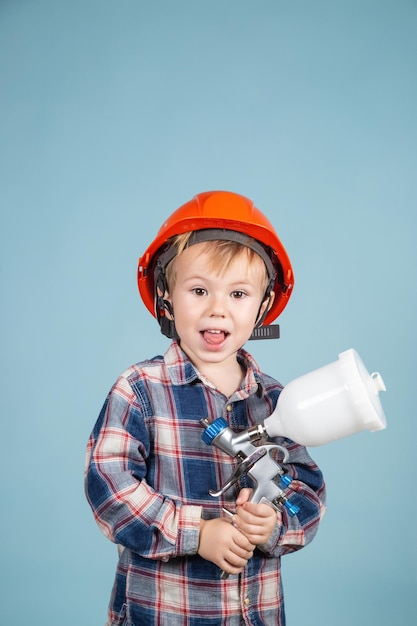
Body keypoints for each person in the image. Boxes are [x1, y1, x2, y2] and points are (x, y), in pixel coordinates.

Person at [85, 190, 326, 626]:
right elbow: (110, 488)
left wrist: (272, 524)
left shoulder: (277, 401)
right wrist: (197, 533)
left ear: (263, 306)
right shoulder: (140, 390)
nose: (218, 309)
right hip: (163, 613)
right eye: (199, 290)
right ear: (167, 297)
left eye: (238, 294)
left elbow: (307, 495)